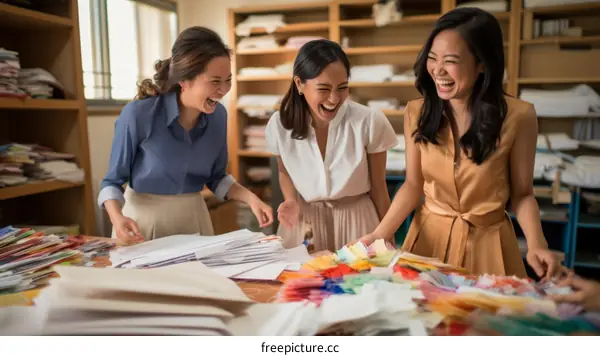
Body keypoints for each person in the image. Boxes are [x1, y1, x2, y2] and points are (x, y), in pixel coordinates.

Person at [356, 8, 561, 278]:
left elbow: (522, 194)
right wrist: (380, 234)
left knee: (487, 317)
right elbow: (413, 184)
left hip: (489, 245)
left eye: (450, 61)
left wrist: (537, 244)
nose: (437, 70)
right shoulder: (416, 112)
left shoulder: (519, 116)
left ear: (482, 64)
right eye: (432, 58)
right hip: (428, 241)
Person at [99, 26, 273, 243]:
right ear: (184, 80)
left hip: (194, 220)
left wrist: (251, 199)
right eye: (215, 81)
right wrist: (117, 218)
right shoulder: (139, 115)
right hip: (143, 224)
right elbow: (111, 182)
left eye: (228, 80)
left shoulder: (218, 116)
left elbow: (217, 178)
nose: (224, 89)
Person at [265, 39, 398, 252]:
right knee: (302, 283)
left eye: (342, 87)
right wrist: (290, 199)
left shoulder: (370, 120)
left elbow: (379, 189)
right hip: (304, 222)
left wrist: (387, 236)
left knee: (359, 282)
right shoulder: (279, 125)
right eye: (324, 89)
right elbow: (284, 172)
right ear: (299, 84)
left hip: (358, 221)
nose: (334, 98)